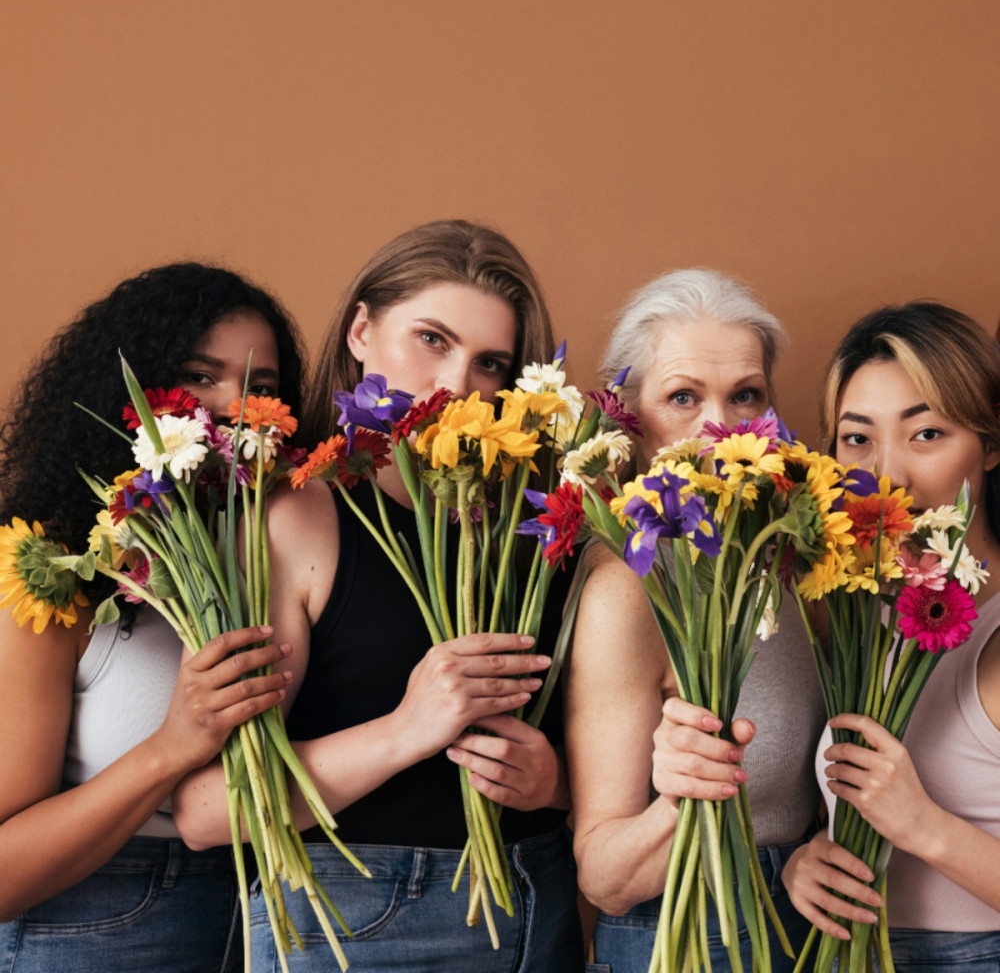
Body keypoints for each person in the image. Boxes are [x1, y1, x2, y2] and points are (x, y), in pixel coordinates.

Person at [174, 220, 583, 972]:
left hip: (537, 904)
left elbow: (607, 768)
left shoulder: (545, 528)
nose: (456, 385)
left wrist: (554, 785)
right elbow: (206, 811)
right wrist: (408, 728)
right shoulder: (297, 522)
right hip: (354, 918)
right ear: (362, 330)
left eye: (489, 362)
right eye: (432, 339)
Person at [0, 262, 305, 971]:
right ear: (129, 393)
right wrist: (174, 745)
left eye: (262, 389)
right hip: (97, 926)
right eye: (201, 377)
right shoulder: (53, 572)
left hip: (268, 922)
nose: (235, 406)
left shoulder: (281, 558)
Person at [566, 268, 826, 971]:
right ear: (631, 423)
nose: (722, 428)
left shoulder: (802, 567)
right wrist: (679, 800)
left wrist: (818, 849)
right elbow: (605, 878)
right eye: (683, 397)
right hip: (684, 937)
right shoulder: (627, 590)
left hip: (809, 933)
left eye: (746, 395)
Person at [781, 302, 1000, 972]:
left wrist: (923, 826)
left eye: (926, 433)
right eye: (856, 439)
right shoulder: (851, 618)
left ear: (991, 445)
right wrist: (805, 864)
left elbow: (908, 813)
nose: (888, 476)